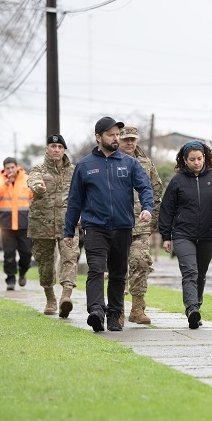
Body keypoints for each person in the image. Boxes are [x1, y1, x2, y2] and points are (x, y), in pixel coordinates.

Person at [63, 116, 154, 332]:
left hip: (123, 227)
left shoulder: (129, 163)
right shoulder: (85, 165)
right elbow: (74, 200)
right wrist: (68, 231)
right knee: (95, 269)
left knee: (118, 273)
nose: (116, 139)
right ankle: (96, 310)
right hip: (95, 227)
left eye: (117, 135)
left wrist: (147, 208)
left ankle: (114, 315)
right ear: (98, 137)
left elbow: (145, 187)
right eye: (111, 135)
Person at [158, 140, 212, 329]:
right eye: (192, 160)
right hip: (183, 234)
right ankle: (191, 309)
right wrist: (166, 236)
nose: (196, 163)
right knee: (190, 271)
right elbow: (167, 210)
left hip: (208, 235)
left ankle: (196, 308)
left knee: (200, 274)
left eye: (199, 159)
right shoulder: (177, 181)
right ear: (185, 160)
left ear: (205, 158)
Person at [27, 134, 80, 317]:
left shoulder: (74, 171)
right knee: (45, 264)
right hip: (42, 225)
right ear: (47, 149)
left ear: (64, 150)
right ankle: (50, 298)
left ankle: (66, 296)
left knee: (69, 258)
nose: (56, 150)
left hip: (68, 224)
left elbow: (85, 192)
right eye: (53, 146)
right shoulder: (39, 169)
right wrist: (38, 187)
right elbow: (32, 180)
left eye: (59, 147)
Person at [118, 125, 163, 325]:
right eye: (126, 139)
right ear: (118, 140)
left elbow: (156, 191)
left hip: (141, 224)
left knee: (140, 262)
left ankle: (137, 308)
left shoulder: (146, 164)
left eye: (133, 139)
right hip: (116, 223)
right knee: (117, 267)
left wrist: (154, 218)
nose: (129, 143)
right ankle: (116, 309)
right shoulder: (111, 160)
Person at [0, 157, 33, 291]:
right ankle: (10, 280)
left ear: (17, 167)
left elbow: (35, 196)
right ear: (4, 169)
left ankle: (23, 272)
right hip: (6, 225)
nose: (10, 170)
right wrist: (5, 185)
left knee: (26, 253)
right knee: (9, 254)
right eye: (8, 168)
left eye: (12, 167)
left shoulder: (27, 180)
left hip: (25, 224)